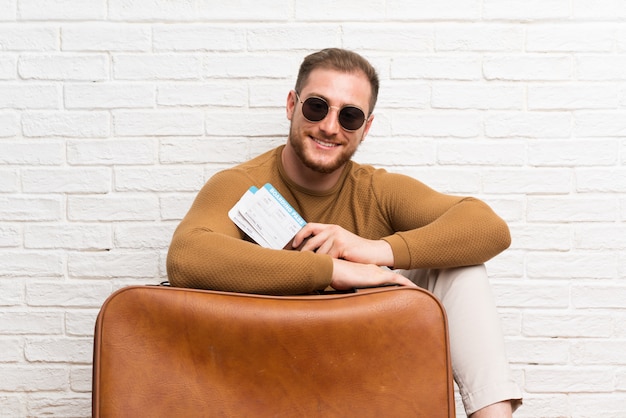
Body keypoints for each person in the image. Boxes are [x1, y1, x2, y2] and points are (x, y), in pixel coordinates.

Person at [167, 48, 522, 417]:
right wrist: (336, 271)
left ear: (366, 128)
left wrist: (375, 251)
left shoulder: (376, 190)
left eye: (349, 116)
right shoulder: (240, 184)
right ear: (292, 105)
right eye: (317, 107)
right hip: (263, 371)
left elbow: (488, 227)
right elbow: (186, 256)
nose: (330, 127)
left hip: (362, 368)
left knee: (462, 268)